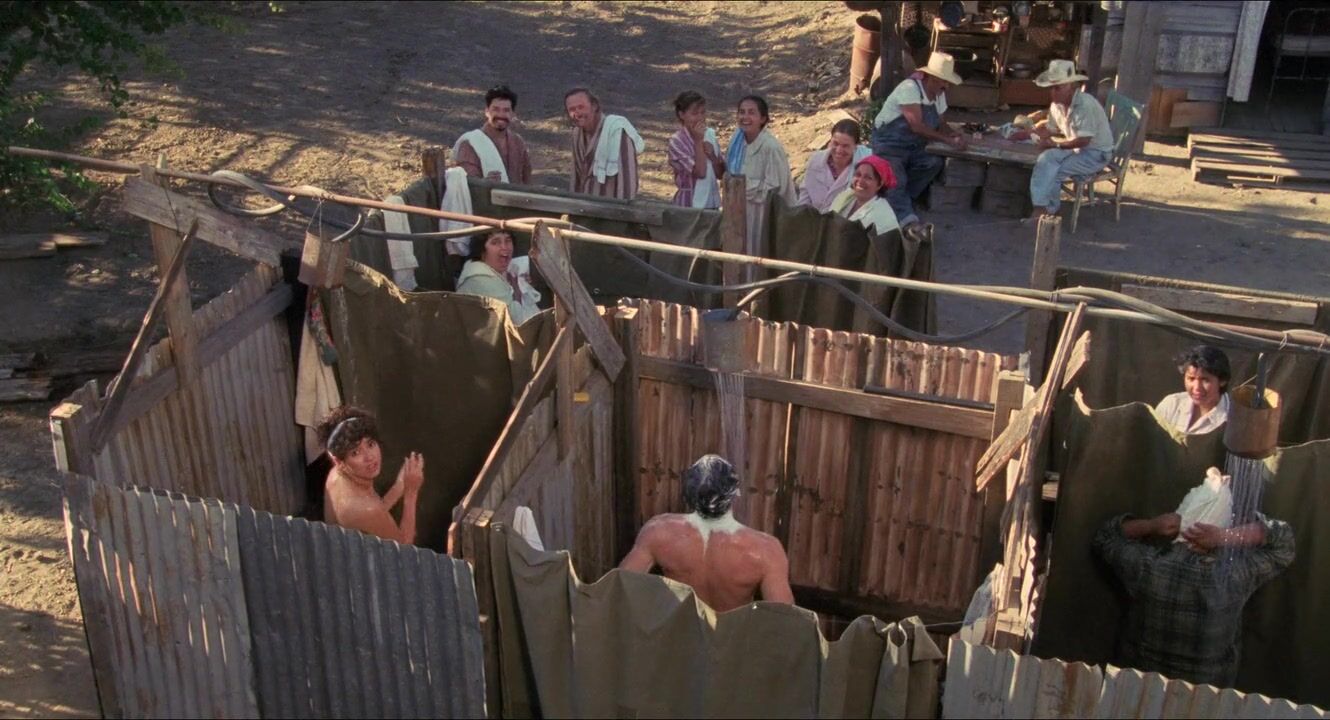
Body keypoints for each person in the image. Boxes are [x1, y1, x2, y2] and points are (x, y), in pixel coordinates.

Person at [1093, 486, 1294, 686]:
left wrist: (1152, 525)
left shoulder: (1146, 566)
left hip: (1138, 688)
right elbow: (1283, 542)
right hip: (1207, 694)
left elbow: (1105, 536)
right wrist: (1225, 536)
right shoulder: (1234, 576)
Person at [620, 454, 794, 613]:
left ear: (690, 492)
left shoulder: (658, 531)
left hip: (679, 632)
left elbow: (619, 588)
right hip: (731, 636)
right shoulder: (766, 550)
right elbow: (785, 620)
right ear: (735, 492)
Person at [870, 51, 968, 228]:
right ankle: (908, 222)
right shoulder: (909, 88)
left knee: (933, 163)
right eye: (944, 81)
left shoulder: (939, 94)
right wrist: (947, 141)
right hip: (888, 144)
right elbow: (917, 126)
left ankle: (904, 201)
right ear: (932, 78)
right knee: (896, 178)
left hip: (914, 144)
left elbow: (941, 122)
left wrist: (952, 134)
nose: (946, 86)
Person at [1014, 60, 1114, 221]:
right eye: (1051, 88)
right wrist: (1028, 134)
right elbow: (1050, 129)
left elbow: (1084, 141)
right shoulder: (1056, 106)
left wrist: (1056, 144)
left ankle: (1047, 212)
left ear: (1072, 87)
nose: (1053, 93)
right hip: (1076, 149)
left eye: (1058, 88)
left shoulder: (1085, 105)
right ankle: (1042, 207)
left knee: (1055, 172)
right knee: (1046, 159)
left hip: (1096, 153)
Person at [318, 405, 424, 545]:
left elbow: (373, 517)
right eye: (355, 452)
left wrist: (399, 487)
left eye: (370, 444)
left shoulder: (335, 475)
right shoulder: (363, 508)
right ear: (339, 461)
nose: (369, 457)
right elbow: (404, 548)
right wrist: (411, 493)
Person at [724, 95, 797, 261]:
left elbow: (775, 189)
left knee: (757, 258)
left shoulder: (771, 147)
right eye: (742, 112)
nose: (745, 117)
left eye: (751, 113)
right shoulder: (737, 141)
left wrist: (742, 186)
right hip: (738, 210)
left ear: (762, 118)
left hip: (763, 215)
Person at [566, 87, 644, 199]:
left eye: (581, 107)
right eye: (572, 109)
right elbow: (576, 177)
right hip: (584, 203)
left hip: (610, 204)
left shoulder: (617, 131)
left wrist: (623, 207)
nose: (577, 113)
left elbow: (628, 180)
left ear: (594, 106)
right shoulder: (576, 134)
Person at [453, 84, 533, 184]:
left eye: (506, 110)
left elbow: (527, 182)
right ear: (487, 111)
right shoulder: (470, 143)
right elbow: (466, 184)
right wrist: (485, 183)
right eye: (496, 109)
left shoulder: (517, 143)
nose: (501, 115)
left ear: (512, 114)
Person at [456, 230, 540, 324]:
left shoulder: (503, 271)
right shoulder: (481, 279)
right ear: (482, 250)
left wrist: (523, 283)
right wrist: (516, 289)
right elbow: (516, 321)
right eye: (495, 242)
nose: (504, 247)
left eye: (508, 241)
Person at [798, 118, 872, 213]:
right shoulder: (816, 161)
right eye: (835, 143)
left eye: (845, 146)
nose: (839, 150)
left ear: (856, 146)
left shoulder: (865, 166)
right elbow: (805, 194)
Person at [1154, 345, 1232, 434]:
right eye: (1191, 378)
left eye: (1205, 380)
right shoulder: (1171, 404)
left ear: (1222, 381)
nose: (1197, 387)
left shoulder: (1232, 420)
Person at [667, 90, 725, 209]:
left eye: (703, 112)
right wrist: (699, 142)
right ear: (682, 115)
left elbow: (720, 174)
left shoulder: (710, 134)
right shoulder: (677, 141)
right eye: (694, 113)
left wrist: (713, 157)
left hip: (711, 203)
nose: (700, 118)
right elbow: (700, 173)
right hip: (690, 204)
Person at [827, 155, 900, 236]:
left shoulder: (883, 216)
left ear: (879, 184)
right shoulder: (845, 198)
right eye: (858, 175)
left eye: (868, 177)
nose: (860, 181)